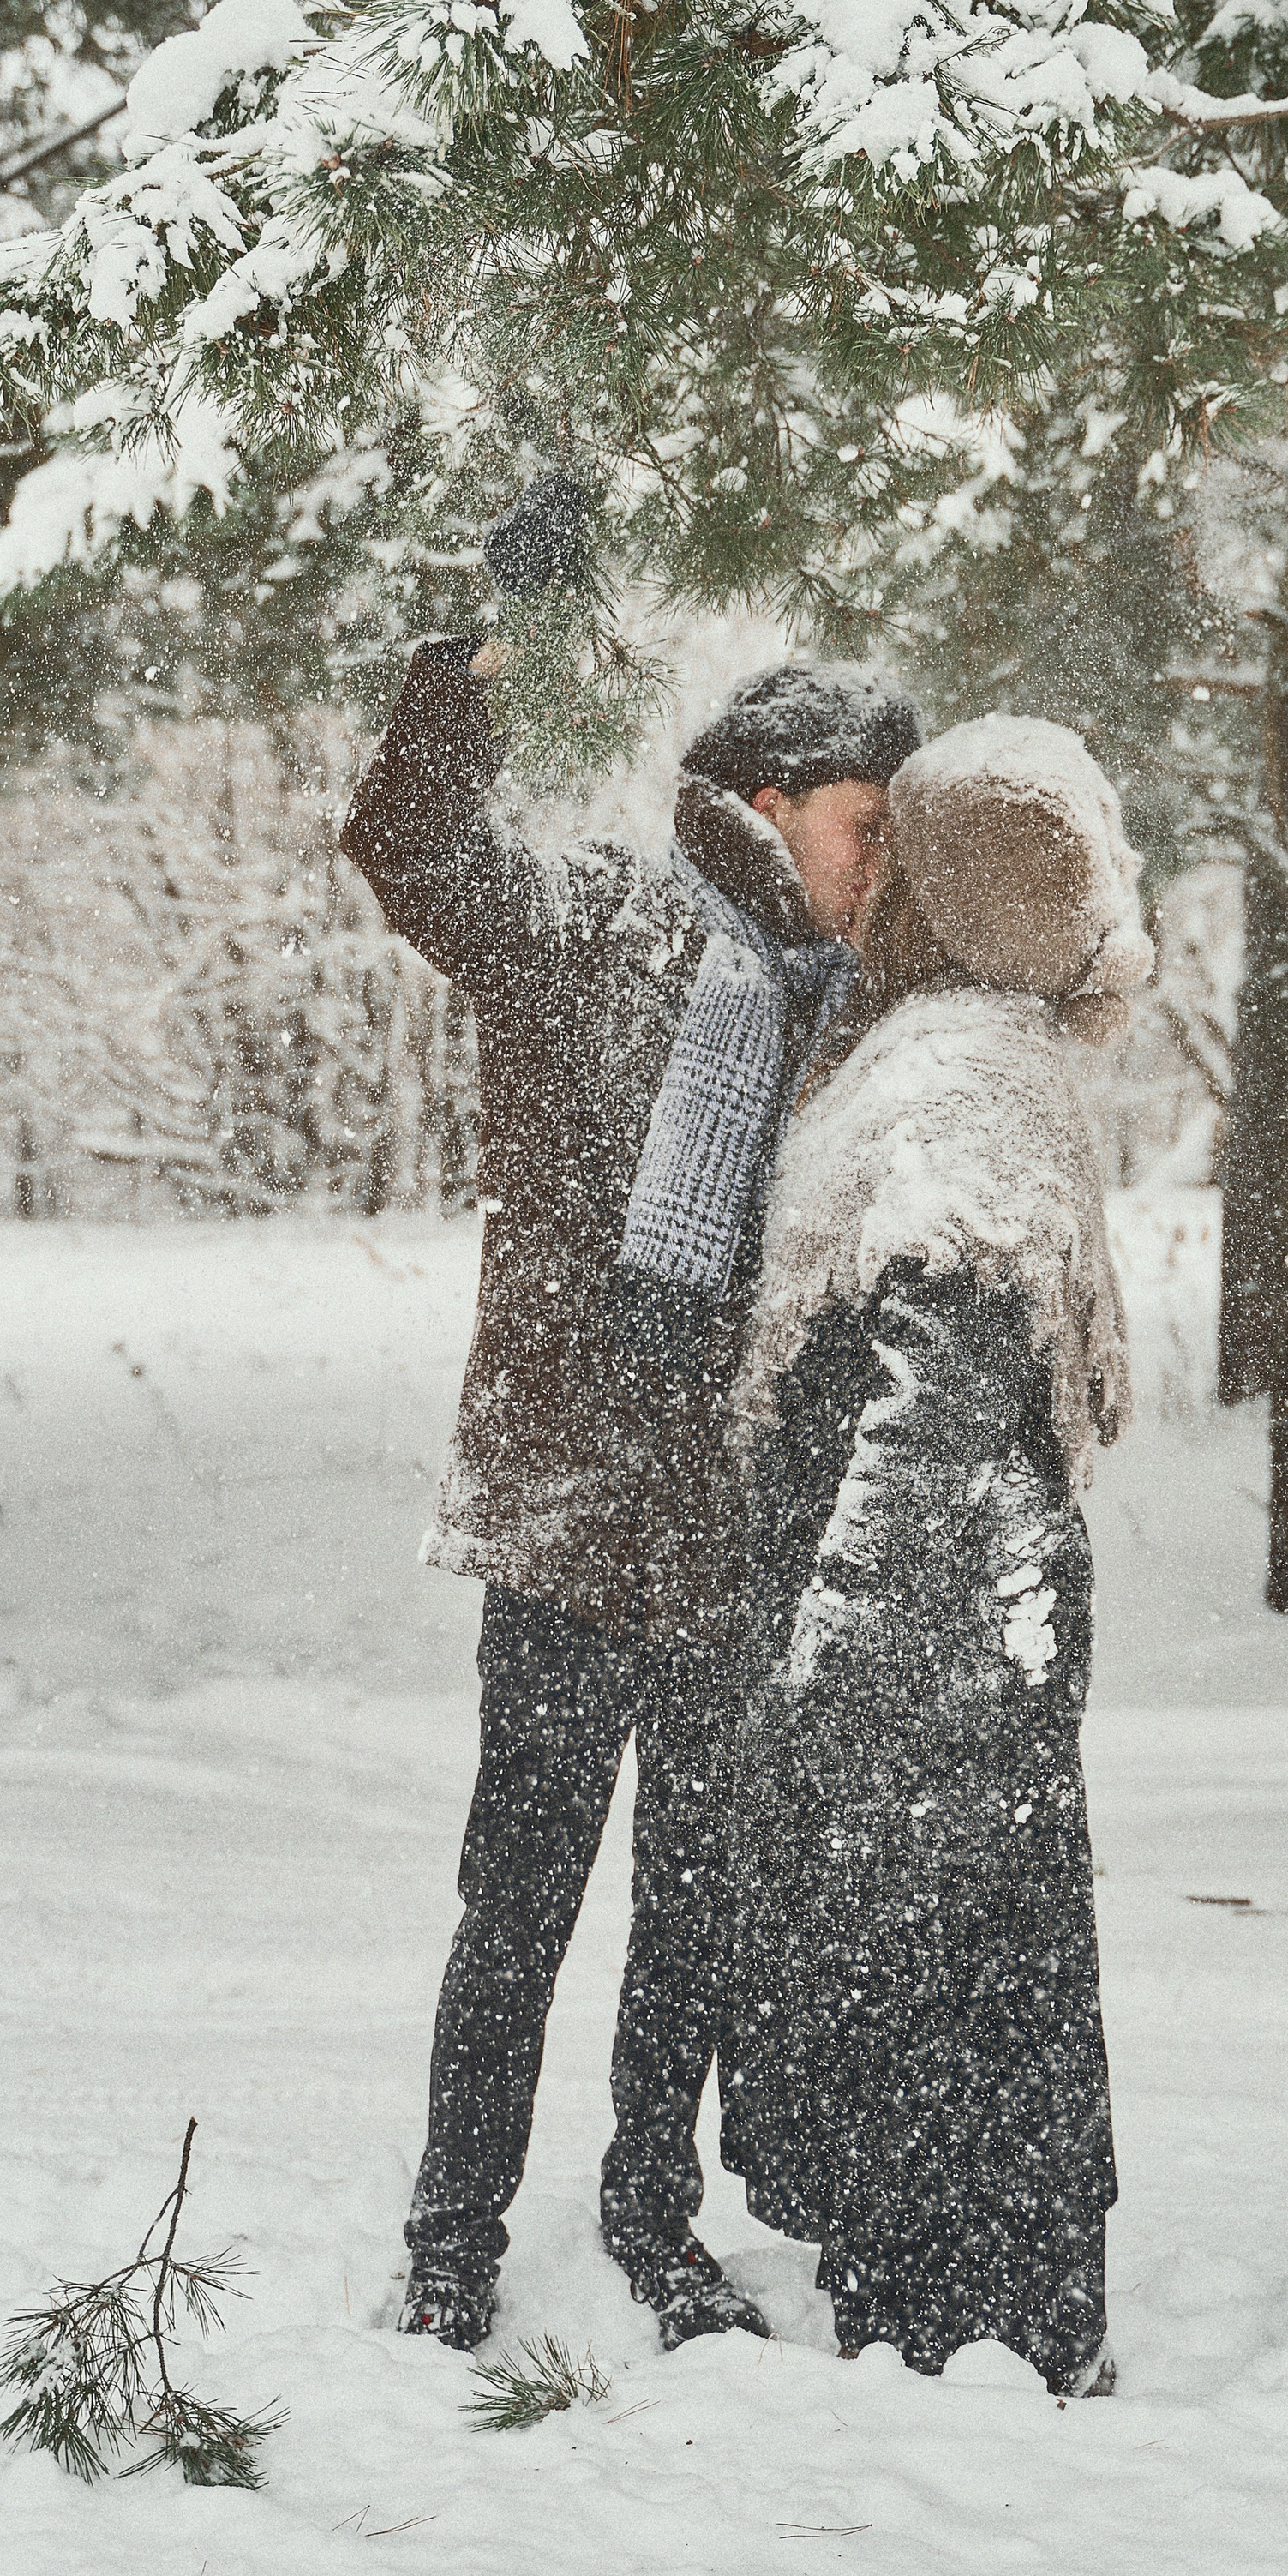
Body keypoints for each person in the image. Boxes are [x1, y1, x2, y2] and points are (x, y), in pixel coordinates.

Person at [338, 479, 921, 2353]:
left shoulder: (856, 1018)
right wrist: (500, 651)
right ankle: (449, 2239)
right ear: (767, 804)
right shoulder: (592, 922)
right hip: (576, 1495)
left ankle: (652, 2219)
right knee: (517, 1890)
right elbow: (413, 845)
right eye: (859, 828)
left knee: (691, 1903)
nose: (875, 865)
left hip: (736, 1523)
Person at [722, 714, 1153, 2395]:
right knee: (994, 1994)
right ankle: (994, 2314)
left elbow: (932, 1362)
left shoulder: (949, 1068)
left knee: (945, 2001)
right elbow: (932, 1362)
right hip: (962, 1625)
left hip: (937, 1636)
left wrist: (838, 1635)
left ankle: (973, 2334)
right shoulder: (973, 1059)